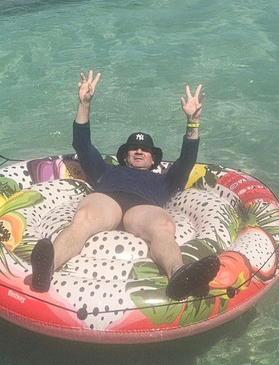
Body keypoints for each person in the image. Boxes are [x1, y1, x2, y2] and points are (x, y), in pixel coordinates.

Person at [29, 70, 220, 300]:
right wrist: (84, 103)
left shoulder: (165, 180)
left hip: (143, 209)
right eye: (133, 148)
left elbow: (187, 159)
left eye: (145, 149)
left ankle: (179, 274)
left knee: (162, 227)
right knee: (84, 219)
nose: (139, 150)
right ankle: (46, 271)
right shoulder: (106, 170)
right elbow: (82, 143)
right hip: (107, 201)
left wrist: (193, 121)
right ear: (125, 156)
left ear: (153, 159)